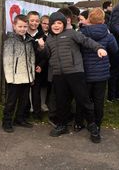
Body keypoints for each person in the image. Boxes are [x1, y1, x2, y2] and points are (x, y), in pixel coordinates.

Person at [38, 12, 107, 143]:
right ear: (50, 25)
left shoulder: (71, 34)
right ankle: (62, 125)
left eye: (59, 23)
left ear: (64, 24)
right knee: (61, 102)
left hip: (75, 72)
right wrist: (41, 47)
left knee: (84, 100)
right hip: (58, 74)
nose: (56, 26)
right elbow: (47, 55)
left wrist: (98, 48)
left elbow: (86, 41)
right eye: (54, 23)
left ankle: (93, 126)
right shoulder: (50, 39)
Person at [77, 8, 118, 136]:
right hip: (102, 73)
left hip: (85, 71)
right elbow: (115, 50)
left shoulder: (81, 33)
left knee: (83, 98)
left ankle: (79, 122)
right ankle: (97, 123)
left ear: (89, 18)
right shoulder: (108, 35)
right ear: (103, 20)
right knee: (98, 100)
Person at [2, 14, 35, 133]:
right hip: (14, 78)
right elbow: (7, 60)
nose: (22, 29)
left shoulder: (29, 41)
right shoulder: (10, 41)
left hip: (26, 77)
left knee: (24, 100)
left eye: (25, 26)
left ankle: (19, 119)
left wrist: (32, 76)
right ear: (14, 26)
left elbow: (32, 60)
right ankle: (7, 121)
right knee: (11, 101)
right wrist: (9, 78)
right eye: (20, 26)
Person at [26, 11, 46, 120]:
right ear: (28, 21)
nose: (34, 23)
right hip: (26, 67)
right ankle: (26, 112)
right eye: (32, 20)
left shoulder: (42, 35)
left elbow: (46, 54)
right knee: (25, 91)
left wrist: (41, 65)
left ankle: (37, 113)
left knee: (36, 91)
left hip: (38, 67)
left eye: (37, 21)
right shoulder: (24, 34)